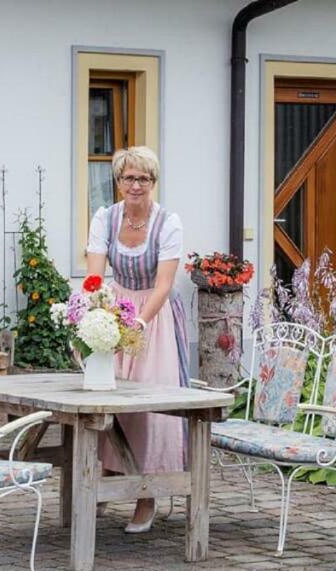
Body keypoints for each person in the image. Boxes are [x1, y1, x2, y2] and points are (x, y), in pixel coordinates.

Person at [86, 146, 188, 533]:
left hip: (153, 317)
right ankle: (106, 479)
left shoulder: (167, 223)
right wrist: (95, 313)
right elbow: (95, 276)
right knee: (106, 401)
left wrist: (139, 324)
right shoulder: (105, 218)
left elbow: (164, 285)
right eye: (128, 178)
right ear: (118, 181)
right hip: (117, 306)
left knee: (149, 404)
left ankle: (147, 495)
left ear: (153, 182)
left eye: (143, 178)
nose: (135, 185)